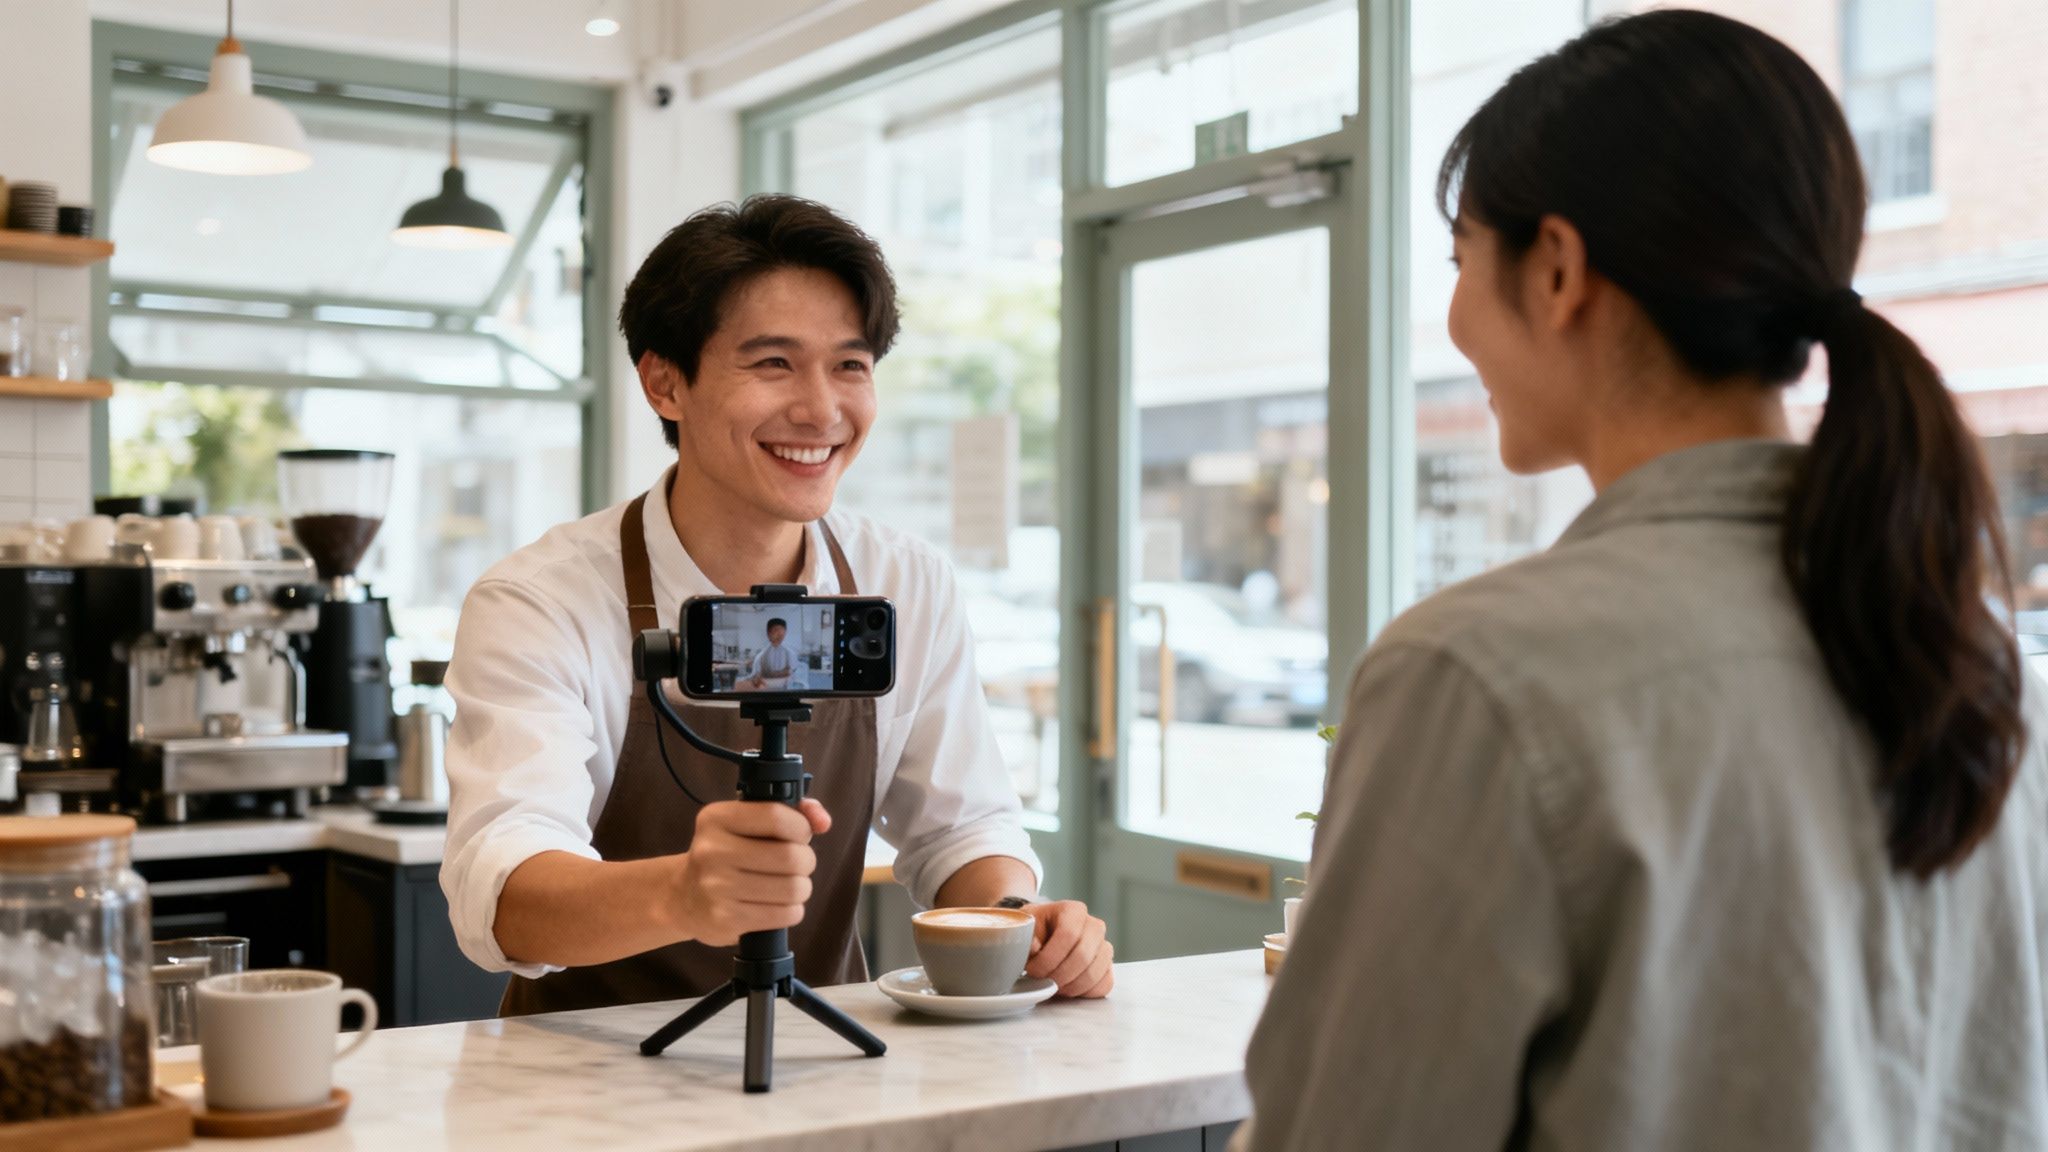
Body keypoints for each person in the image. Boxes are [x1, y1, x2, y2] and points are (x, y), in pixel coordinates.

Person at [1239, 11, 2046, 1151]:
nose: (1456, 318)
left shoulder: (1478, 674)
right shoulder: (1978, 663)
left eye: (1461, 260)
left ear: (1557, 268)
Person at [440, 195, 1114, 1015]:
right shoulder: (541, 602)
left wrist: (1016, 918)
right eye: (773, 364)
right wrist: (684, 894)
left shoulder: (904, 581)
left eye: (850, 365)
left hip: (818, 1056)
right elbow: (503, 891)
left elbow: (961, 828)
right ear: (664, 383)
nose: (822, 410)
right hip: (584, 1081)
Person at [741, 617, 796, 691]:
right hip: (765, 694)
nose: (779, 634)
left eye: (782, 631)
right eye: (776, 630)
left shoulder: (790, 654)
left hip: (784, 694)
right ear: (768, 633)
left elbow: (793, 676)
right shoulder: (761, 657)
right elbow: (755, 677)